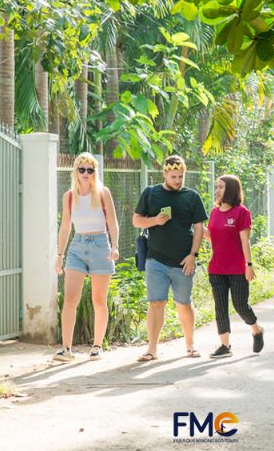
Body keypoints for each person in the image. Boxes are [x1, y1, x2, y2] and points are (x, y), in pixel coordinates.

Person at [133, 155, 208, 361]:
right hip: (155, 259)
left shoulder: (191, 196)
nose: (177, 180)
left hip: (183, 261)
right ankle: (152, 349)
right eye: (174, 176)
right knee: (156, 302)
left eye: (181, 176)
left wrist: (193, 255)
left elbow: (199, 228)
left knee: (183, 303)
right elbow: (137, 221)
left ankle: (190, 345)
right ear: (164, 173)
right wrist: (155, 220)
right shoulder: (151, 193)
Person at [53, 153, 120, 361]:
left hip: (100, 245)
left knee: (99, 300)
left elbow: (112, 222)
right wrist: (59, 254)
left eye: (90, 170)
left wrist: (115, 246)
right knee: (70, 299)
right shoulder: (69, 196)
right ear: (75, 171)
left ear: (94, 172)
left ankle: (97, 346)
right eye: (81, 169)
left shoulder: (102, 193)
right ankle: (66, 349)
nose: (85, 174)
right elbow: (65, 227)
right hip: (77, 246)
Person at [204, 175, 264, 358]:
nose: (217, 190)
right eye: (216, 187)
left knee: (240, 305)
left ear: (230, 189)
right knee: (220, 307)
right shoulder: (214, 213)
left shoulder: (242, 212)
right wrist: (197, 228)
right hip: (216, 268)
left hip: (237, 268)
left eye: (221, 187)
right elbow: (211, 236)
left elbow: (245, 241)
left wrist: (249, 265)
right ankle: (225, 345)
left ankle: (256, 330)